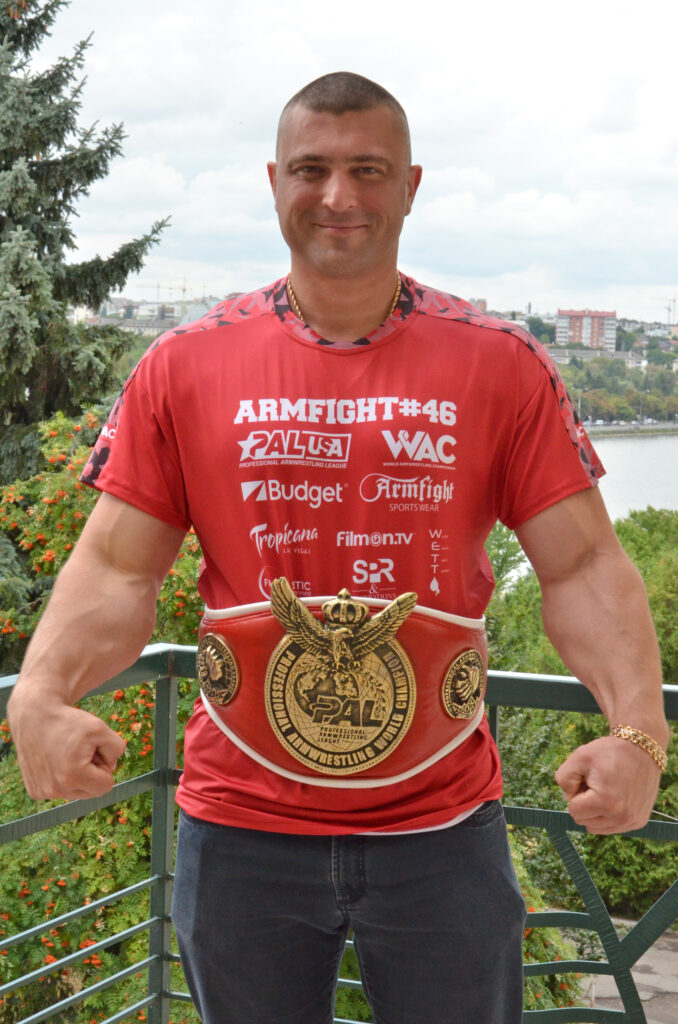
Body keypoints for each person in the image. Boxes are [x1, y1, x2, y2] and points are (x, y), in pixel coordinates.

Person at [7, 73, 669, 1024]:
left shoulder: (501, 362)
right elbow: (118, 567)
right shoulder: (183, 363)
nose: (339, 196)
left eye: (369, 169)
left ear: (412, 185)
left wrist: (638, 732)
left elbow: (582, 567)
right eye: (313, 169)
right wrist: (40, 692)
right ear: (275, 181)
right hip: (237, 829)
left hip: (445, 829)